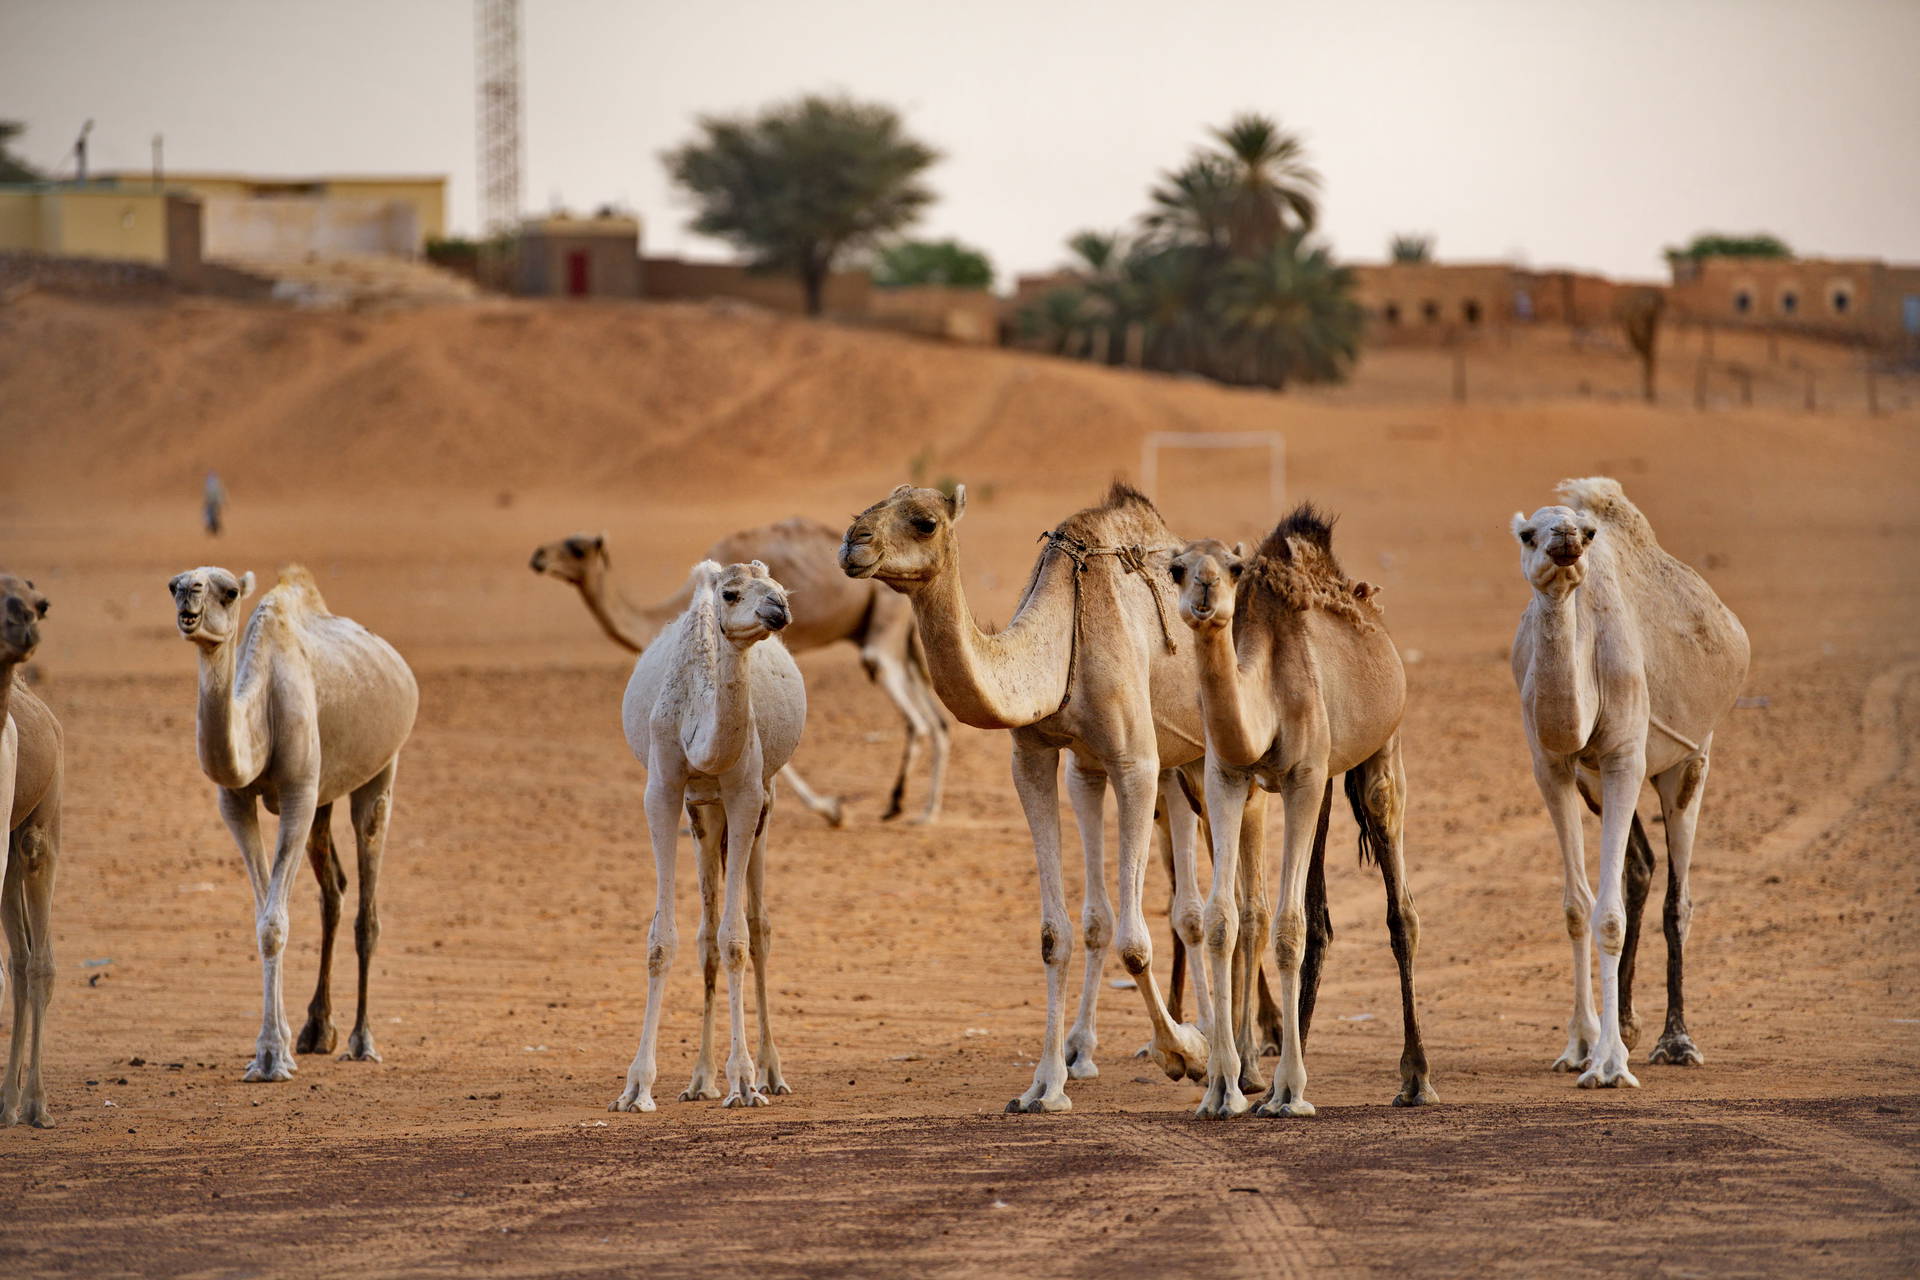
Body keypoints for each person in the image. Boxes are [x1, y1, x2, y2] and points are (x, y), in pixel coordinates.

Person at [203, 471, 226, 537]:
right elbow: (207, 495)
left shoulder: (213, 485)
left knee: (213, 517)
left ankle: (215, 530)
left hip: (214, 503)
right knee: (211, 517)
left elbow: (219, 494)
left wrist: (221, 502)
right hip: (212, 503)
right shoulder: (212, 484)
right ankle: (213, 530)